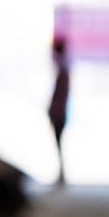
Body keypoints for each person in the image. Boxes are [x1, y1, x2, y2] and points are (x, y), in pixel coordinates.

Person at [49, 38, 70, 184]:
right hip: (58, 114)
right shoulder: (63, 70)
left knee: (58, 145)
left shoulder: (63, 71)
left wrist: (55, 112)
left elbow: (60, 97)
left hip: (58, 115)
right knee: (58, 145)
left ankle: (62, 175)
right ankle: (61, 174)